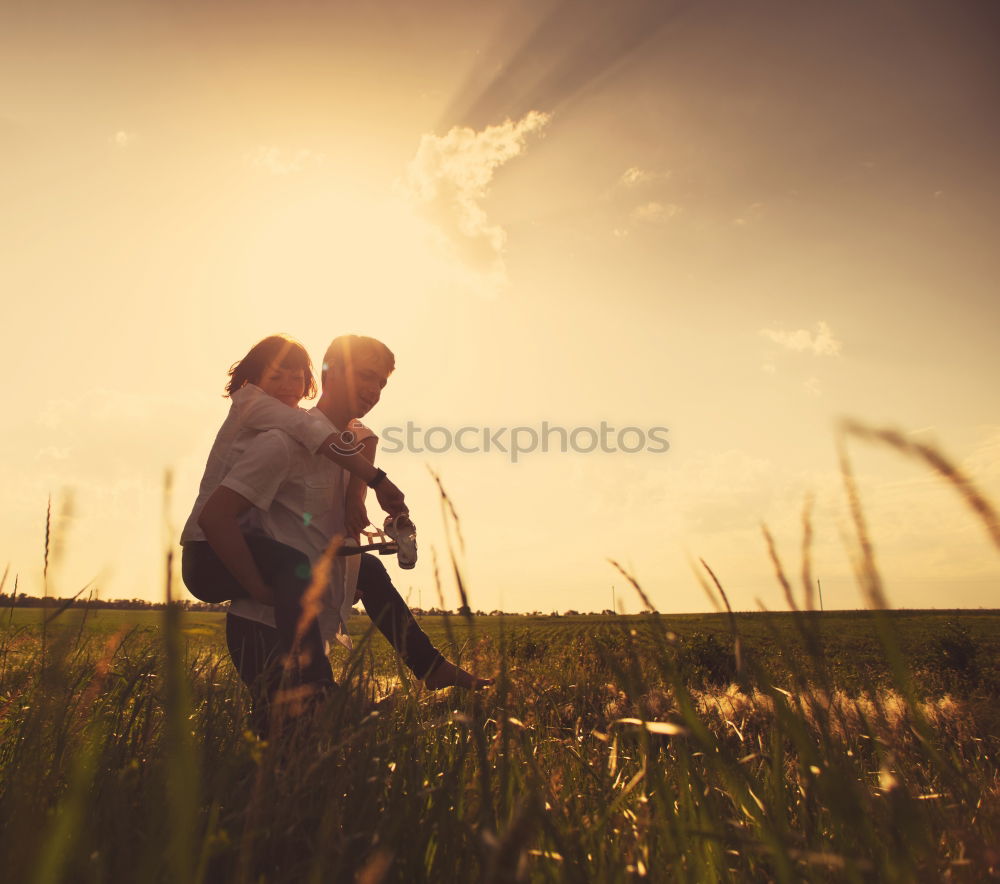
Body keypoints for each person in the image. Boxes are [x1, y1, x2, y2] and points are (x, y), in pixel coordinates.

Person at [181, 334, 489, 730]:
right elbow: (219, 517)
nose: (374, 389)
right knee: (300, 747)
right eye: (365, 376)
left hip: (308, 631)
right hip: (265, 630)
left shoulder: (352, 446)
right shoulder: (283, 440)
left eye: (381, 382)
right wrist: (374, 479)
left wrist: (371, 517)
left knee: (290, 752)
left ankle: (428, 666)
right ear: (330, 373)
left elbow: (320, 531)